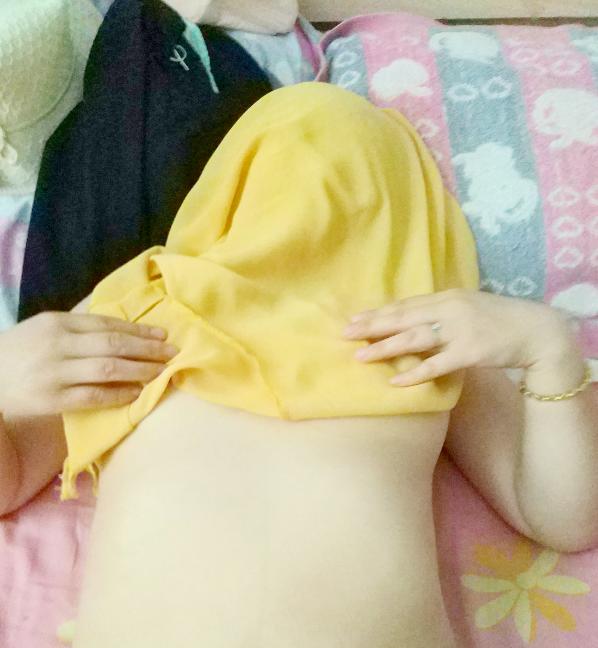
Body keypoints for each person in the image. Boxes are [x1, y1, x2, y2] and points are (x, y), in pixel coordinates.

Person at [0, 82, 596, 648]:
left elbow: (564, 519)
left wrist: (549, 349)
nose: (313, 199)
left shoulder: (426, 327)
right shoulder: (145, 302)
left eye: (357, 173)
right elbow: (12, 477)